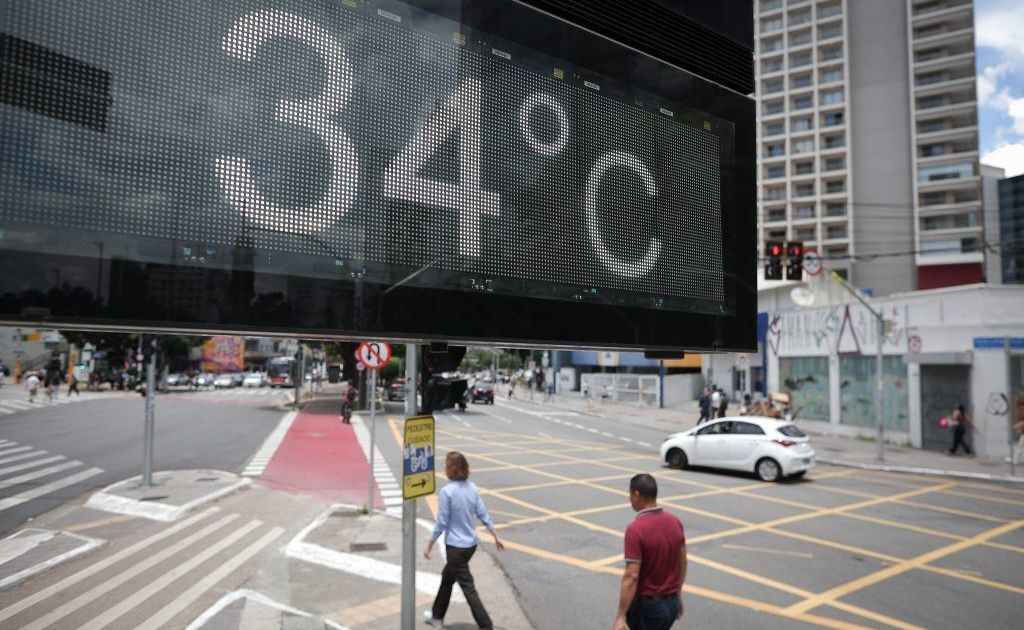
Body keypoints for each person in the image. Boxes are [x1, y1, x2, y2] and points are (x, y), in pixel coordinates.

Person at [424, 451, 504, 629]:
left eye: (446, 465)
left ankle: (486, 625)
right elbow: (483, 513)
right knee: (447, 577)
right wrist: (495, 535)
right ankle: (437, 616)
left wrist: (429, 543)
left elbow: (442, 522)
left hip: (456, 547)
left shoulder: (447, 492)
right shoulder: (472, 488)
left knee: (468, 587)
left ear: (451, 469)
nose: (444, 468)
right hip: (470, 546)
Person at [613, 474, 687, 630]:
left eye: (630, 494)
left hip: (648, 609)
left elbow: (632, 576)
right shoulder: (675, 522)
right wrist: (677, 596)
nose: (629, 499)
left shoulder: (636, 529)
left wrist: (620, 616)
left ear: (636, 495)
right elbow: (682, 562)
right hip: (671, 605)